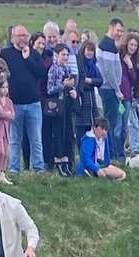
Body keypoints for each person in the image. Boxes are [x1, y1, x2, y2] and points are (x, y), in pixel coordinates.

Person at [1, 24, 42, 173]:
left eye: (25, 35)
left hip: (33, 103)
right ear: (12, 38)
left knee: (36, 139)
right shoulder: (5, 54)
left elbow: (40, 73)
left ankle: (38, 168)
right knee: (14, 139)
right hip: (14, 104)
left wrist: (27, 58)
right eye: (19, 35)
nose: (22, 38)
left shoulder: (34, 54)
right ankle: (14, 168)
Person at [45, 42, 75, 175]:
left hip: (67, 104)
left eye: (67, 55)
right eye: (63, 54)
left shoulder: (67, 68)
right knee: (58, 134)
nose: (65, 57)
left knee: (68, 132)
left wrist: (72, 90)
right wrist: (63, 85)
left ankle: (67, 161)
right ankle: (58, 161)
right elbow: (50, 89)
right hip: (57, 105)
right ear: (56, 55)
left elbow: (70, 85)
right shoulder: (54, 69)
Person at [96, 18, 124, 163]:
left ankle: (110, 154)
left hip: (110, 88)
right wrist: (117, 89)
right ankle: (109, 155)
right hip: (108, 88)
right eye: (118, 30)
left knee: (111, 122)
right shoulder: (107, 44)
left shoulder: (111, 45)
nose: (119, 33)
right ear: (111, 27)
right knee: (109, 124)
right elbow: (108, 70)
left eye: (121, 31)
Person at [78, 116, 123, 180]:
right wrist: (97, 169)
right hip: (89, 167)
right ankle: (90, 174)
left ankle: (103, 175)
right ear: (94, 128)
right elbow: (86, 159)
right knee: (119, 174)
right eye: (102, 129)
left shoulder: (104, 138)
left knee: (122, 174)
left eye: (106, 129)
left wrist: (107, 165)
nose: (104, 132)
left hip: (100, 165)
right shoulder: (88, 140)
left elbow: (106, 157)